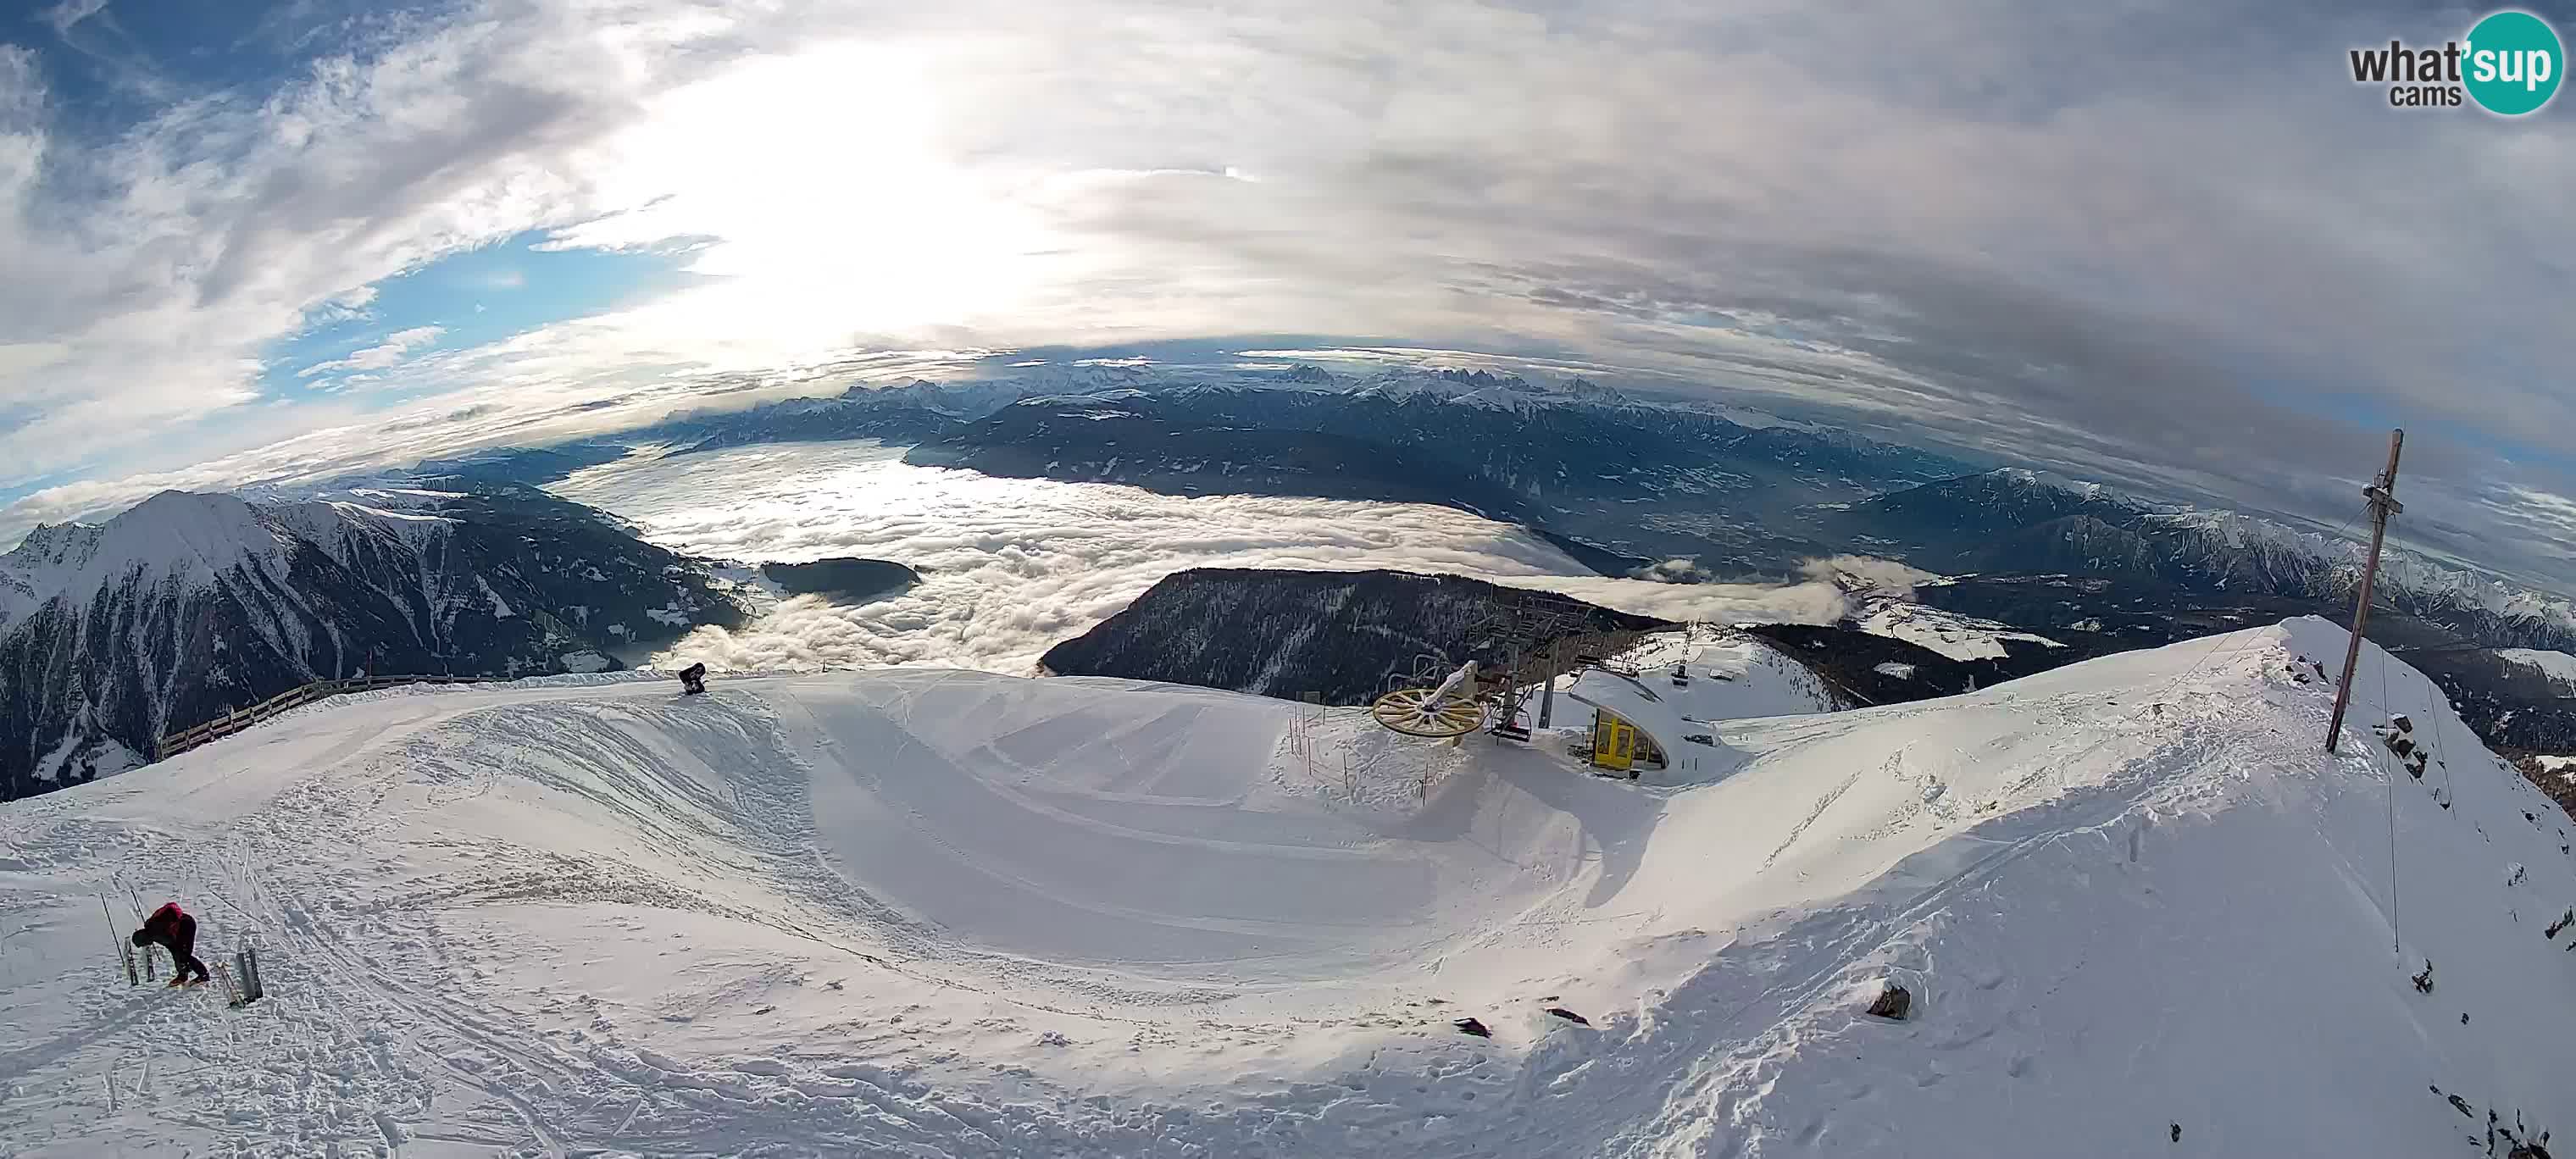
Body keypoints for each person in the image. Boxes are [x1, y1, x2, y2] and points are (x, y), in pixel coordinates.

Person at [132, 901, 211, 988]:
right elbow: (172, 947)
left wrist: (183, 960)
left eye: (143, 944)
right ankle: (183, 976)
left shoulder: (156, 933)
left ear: (144, 940)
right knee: (179, 953)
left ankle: (203, 975)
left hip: (186, 925)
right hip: (181, 925)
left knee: (184, 954)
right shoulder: (151, 929)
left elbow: (173, 944)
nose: (146, 945)